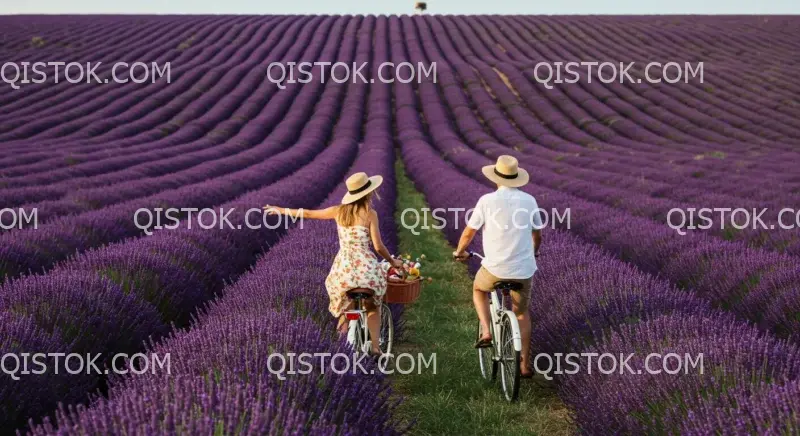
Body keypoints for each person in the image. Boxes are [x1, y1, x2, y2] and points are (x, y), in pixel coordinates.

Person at [264, 172, 403, 356]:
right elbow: (378, 246)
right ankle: (375, 347)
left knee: (346, 310)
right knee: (372, 306)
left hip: (343, 272)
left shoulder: (339, 211)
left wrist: (281, 210)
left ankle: (341, 349)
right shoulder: (370, 214)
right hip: (366, 270)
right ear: (368, 193)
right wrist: (393, 261)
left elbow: (307, 213)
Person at [453, 155, 542, 378]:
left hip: (494, 269)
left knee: (479, 289)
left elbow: (468, 232)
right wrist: (533, 251)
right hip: (523, 270)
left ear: (496, 178)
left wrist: (460, 251)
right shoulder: (529, 200)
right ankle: (523, 366)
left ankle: (485, 329)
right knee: (521, 314)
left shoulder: (486, 201)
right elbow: (537, 234)